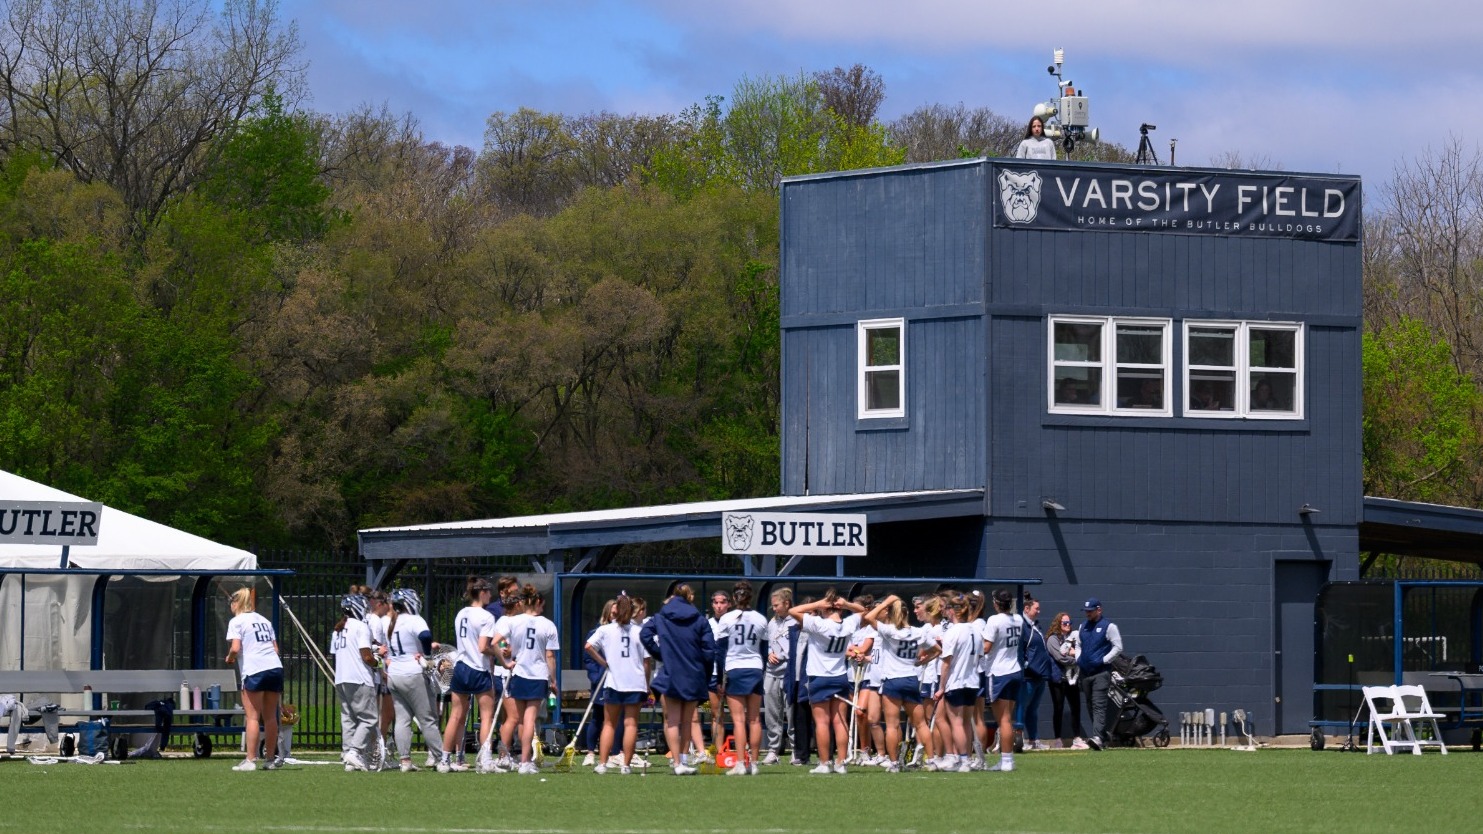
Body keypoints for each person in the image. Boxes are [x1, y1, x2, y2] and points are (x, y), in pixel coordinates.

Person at [641, 583, 716, 775]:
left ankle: (676, 763)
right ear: (690, 597)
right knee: (687, 720)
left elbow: (645, 634)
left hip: (670, 673)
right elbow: (709, 651)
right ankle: (683, 759)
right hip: (693, 673)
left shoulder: (661, 617)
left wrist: (660, 654)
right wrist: (704, 674)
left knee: (672, 721)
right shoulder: (700, 620)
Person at [790, 588, 865, 774]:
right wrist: (846, 604)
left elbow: (793, 611)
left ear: (826, 607)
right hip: (840, 676)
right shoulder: (848, 624)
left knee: (822, 722)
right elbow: (863, 611)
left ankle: (824, 763)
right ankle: (841, 762)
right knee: (840, 722)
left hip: (819, 676)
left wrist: (817, 604)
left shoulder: (818, 623)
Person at [495, 584, 560, 775]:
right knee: (529, 719)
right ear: (538, 602)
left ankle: (515, 757)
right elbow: (550, 656)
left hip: (518, 673)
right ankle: (525, 761)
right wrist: (553, 680)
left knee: (522, 720)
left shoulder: (514, 622)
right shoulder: (548, 624)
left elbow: (494, 641)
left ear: (523, 602)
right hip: (537, 675)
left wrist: (505, 657)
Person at [585, 593, 650, 775]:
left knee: (609, 724)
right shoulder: (639, 631)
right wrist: (647, 684)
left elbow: (588, 646)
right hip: (635, 683)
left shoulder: (605, 630)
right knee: (631, 724)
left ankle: (603, 764)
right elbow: (646, 662)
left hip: (614, 682)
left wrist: (603, 662)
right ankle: (626, 766)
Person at [438, 576, 498, 773]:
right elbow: (483, 647)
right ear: (481, 593)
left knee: (455, 716)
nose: (490, 595)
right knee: (486, 716)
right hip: (478, 668)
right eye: (488, 591)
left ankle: (445, 761)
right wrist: (498, 653)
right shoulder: (486, 616)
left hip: (461, 667)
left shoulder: (461, 613)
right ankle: (486, 760)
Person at [863, 594, 928, 773]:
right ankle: (932, 759)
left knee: (892, 725)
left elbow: (868, 617)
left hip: (892, 680)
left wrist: (885, 601)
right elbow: (937, 649)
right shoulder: (918, 632)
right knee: (921, 723)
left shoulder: (890, 631)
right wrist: (921, 661)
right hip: (911, 678)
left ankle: (893, 763)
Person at [384, 588, 444, 772]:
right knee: (428, 719)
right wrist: (427, 655)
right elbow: (425, 636)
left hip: (394, 674)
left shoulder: (389, 622)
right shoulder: (415, 620)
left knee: (402, 719)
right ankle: (442, 758)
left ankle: (405, 761)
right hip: (413, 673)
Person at [224, 587, 283, 771]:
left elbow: (235, 648)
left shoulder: (237, 621)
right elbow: (276, 650)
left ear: (236, 603)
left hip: (255, 670)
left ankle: (250, 760)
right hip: (274, 668)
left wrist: (230, 658)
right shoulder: (264, 620)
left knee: (253, 717)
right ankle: (271, 759)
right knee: (271, 716)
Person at [717, 580, 769, 775]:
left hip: (735, 669)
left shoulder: (726, 619)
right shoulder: (761, 619)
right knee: (755, 719)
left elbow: (720, 651)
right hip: (755, 668)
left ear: (733, 598)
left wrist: (718, 678)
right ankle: (754, 763)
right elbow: (764, 650)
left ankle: (740, 763)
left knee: (739, 720)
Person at [331, 593, 379, 772]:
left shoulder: (338, 629)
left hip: (342, 678)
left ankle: (348, 756)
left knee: (349, 719)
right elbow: (366, 656)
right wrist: (378, 661)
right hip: (358, 678)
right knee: (369, 718)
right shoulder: (361, 626)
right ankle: (355, 751)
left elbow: (335, 654)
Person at [934, 593, 981, 772]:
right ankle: (966, 758)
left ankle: (963, 760)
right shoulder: (975, 630)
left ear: (953, 611)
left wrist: (941, 687)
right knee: (967, 722)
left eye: (946, 608)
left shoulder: (953, 631)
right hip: (972, 681)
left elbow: (946, 663)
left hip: (957, 682)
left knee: (957, 723)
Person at [981, 588, 1023, 772]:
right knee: (1008, 719)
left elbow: (986, 647)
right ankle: (1007, 759)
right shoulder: (1019, 619)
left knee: (1004, 720)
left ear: (996, 603)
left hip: (998, 672)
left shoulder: (994, 620)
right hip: (1014, 670)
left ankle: (1006, 761)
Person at [1078, 597, 1123, 750]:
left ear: (1099, 610)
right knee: (1090, 704)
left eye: (1090, 611)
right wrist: (1078, 657)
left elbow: (1118, 647)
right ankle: (1101, 737)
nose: (1087, 614)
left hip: (1101, 673)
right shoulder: (1083, 626)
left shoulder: (1109, 626)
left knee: (1099, 704)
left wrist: (1104, 660)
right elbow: (1078, 644)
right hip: (1085, 673)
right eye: (1086, 611)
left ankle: (1097, 737)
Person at [1016, 592, 1053, 751]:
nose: (1039, 611)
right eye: (1036, 609)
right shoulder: (1022, 626)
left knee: (1033, 709)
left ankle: (1034, 739)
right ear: (1027, 608)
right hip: (1029, 676)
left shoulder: (1036, 625)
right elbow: (1020, 650)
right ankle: (1019, 740)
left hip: (1040, 676)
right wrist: (1027, 665)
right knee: (1021, 707)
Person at [581, 599, 616, 766]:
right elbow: (588, 657)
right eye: (613, 612)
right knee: (598, 716)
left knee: (616, 717)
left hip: (616, 681)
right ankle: (590, 752)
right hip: (600, 681)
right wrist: (595, 676)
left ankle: (614, 752)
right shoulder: (598, 631)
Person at [762, 588, 794, 765]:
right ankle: (773, 750)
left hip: (789, 672)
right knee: (772, 712)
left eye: (776, 605)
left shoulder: (796, 621)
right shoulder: (772, 622)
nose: (773, 609)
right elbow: (767, 643)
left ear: (787, 603)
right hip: (771, 672)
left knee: (791, 711)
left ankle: (795, 749)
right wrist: (768, 653)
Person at [1046, 610, 1087, 749]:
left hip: (1072, 678)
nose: (1068, 625)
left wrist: (1075, 654)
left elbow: (1080, 652)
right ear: (1058, 623)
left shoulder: (1072, 637)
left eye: (1069, 622)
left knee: (1076, 707)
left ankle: (1077, 738)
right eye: (1065, 623)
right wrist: (1075, 659)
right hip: (1057, 679)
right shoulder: (1053, 639)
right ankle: (1057, 739)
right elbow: (1060, 657)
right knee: (1058, 708)